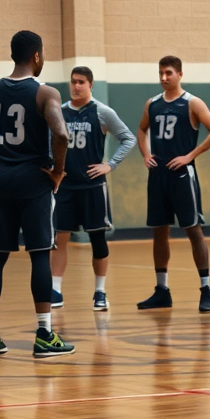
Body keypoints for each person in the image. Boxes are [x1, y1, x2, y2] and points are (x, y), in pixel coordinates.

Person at [0, 31, 75, 357]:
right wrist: (58, 172)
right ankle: (45, 334)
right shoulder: (44, 93)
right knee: (39, 254)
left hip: (1, 179)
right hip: (33, 179)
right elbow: (61, 135)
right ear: (36, 56)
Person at [135, 56, 210, 312]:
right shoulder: (152, 104)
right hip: (158, 175)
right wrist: (145, 154)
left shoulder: (192, 103)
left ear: (180, 74)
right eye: (161, 73)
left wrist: (190, 156)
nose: (164, 77)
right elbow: (141, 130)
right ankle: (162, 290)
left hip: (183, 176)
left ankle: (205, 290)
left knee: (193, 230)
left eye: (168, 73)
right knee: (159, 231)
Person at [50, 66, 137, 311]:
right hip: (65, 186)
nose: (76, 86)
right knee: (59, 238)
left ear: (90, 84)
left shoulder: (102, 111)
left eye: (81, 82)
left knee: (98, 240)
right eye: (73, 81)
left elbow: (128, 138)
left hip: (92, 186)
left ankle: (100, 292)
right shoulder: (60, 112)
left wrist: (110, 165)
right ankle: (55, 290)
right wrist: (53, 167)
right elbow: (51, 142)